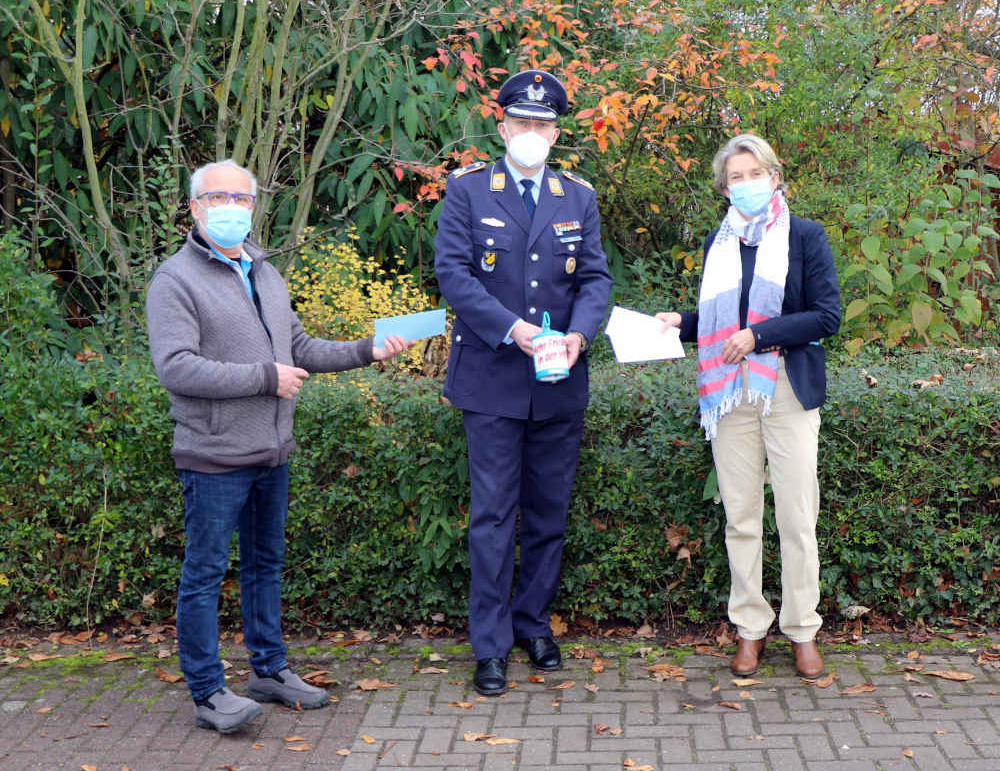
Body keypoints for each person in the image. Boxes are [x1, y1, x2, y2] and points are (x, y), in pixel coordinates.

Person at [146, 159, 410, 733]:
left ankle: (267, 671)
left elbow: (301, 348)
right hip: (213, 456)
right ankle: (208, 692)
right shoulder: (174, 280)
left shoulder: (265, 272)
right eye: (219, 198)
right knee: (205, 574)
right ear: (194, 207)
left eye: (242, 200)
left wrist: (369, 349)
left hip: (271, 451)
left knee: (265, 565)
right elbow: (176, 367)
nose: (232, 209)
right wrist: (266, 377)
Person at [434, 70, 613, 695]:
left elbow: (595, 281)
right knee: (491, 516)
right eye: (522, 123)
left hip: (560, 378)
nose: (532, 133)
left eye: (543, 124)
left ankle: (532, 624)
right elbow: (454, 277)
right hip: (491, 378)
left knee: (547, 514)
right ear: (503, 126)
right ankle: (489, 645)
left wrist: (581, 335)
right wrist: (513, 330)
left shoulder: (577, 197)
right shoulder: (469, 191)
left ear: (556, 131)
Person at [656, 134, 840, 679]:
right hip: (728, 391)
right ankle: (750, 629)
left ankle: (803, 629)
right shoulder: (721, 244)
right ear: (725, 188)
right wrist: (681, 325)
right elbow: (719, 324)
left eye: (754, 173)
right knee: (741, 517)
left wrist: (760, 336)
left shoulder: (806, 237)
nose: (746, 184)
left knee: (796, 515)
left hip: (786, 385)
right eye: (735, 177)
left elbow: (826, 316)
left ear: (775, 177)